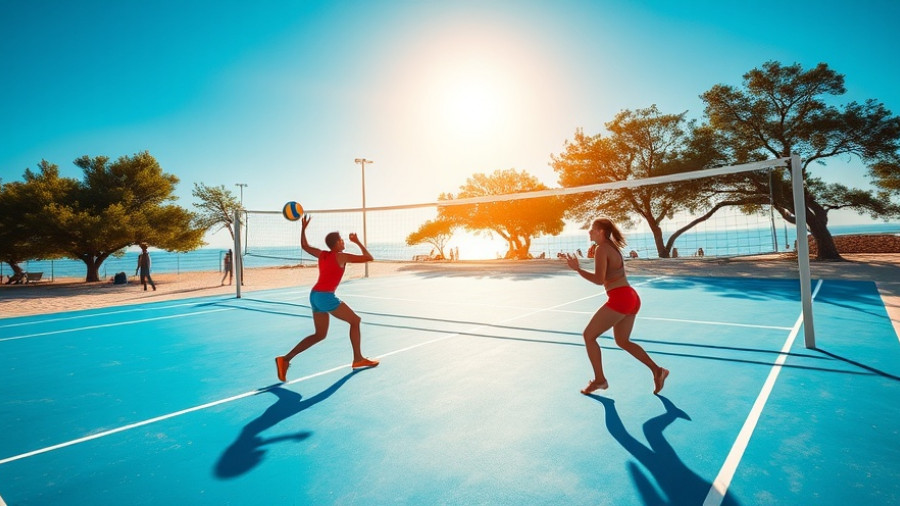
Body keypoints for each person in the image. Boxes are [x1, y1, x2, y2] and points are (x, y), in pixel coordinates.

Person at [565, 218, 668, 395]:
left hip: (620, 298)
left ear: (601, 232)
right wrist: (588, 261)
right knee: (622, 341)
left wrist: (578, 269)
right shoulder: (611, 247)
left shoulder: (602, 248)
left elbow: (599, 280)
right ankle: (657, 370)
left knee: (589, 336)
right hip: (631, 296)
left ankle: (600, 380)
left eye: (592, 229)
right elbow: (607, 272)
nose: (589, 232)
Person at [275, 215, 379, 382]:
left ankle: (285, 359)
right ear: (337, 243)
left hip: (315, 296)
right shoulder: (342, 256)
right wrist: (357, 241)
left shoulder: (322, 254)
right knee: (355, 321)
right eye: (342, 240)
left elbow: (304, 245)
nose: (344, 242)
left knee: (319, 335)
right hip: (325, 297)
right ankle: (358, 359)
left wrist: (303, 228)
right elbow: (369, 258)